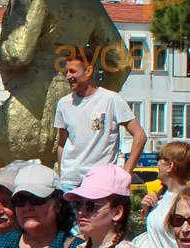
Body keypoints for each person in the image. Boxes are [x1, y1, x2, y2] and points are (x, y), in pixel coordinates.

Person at [54, 52, 145, 186]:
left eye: (73, 71)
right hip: (70, 183)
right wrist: (62, 175)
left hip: (100, 183)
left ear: (88, 71)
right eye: (66, 72)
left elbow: (140, 135)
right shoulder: (64, 103)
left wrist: (126, 172)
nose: (68, 76)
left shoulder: (111, 100)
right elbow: (61, 143)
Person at [139, 140, 190, 248]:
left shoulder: (188, 202)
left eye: (159, 159)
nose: (157, 164)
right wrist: (148, 211)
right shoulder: (163, 196)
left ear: (170, 166)